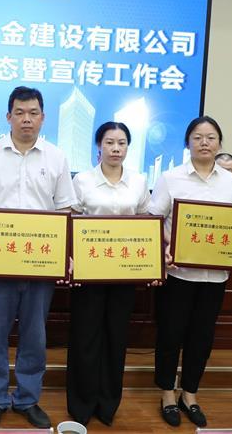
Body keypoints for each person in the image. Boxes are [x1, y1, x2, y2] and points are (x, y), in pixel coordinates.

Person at [0, 86, 77, 429]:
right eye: (19, 113)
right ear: (8, 117)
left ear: (43, 118)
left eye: (33, 113)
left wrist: (64, 254)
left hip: (41, 265)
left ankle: (28, 398)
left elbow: (66, 210)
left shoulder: (56, 157)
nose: (26, 119)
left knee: (35, 335)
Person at [146, 116, 232, 428]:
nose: (204, 142)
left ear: (219, 143)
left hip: (215, 277)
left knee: (202, 337)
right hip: (178, 274)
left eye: (211, 137)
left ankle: (189, 393)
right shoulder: (171, 177)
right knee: (170, 334)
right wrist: (166, 247)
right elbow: (153, 219)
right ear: (187, 142)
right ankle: (167, 393)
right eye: (198, 137)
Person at [66, 121, 151, 427]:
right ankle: (81, 403)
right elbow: (70, 221)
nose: (116, 148)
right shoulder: (82, 180)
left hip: (123, 273)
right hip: (88, 273)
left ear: (128, 147)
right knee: (85, 337)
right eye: (110, 142)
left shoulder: (139, 181)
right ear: (98, 146)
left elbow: (147, 223)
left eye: (122, 143)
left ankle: (107, 403)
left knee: (116, 337)